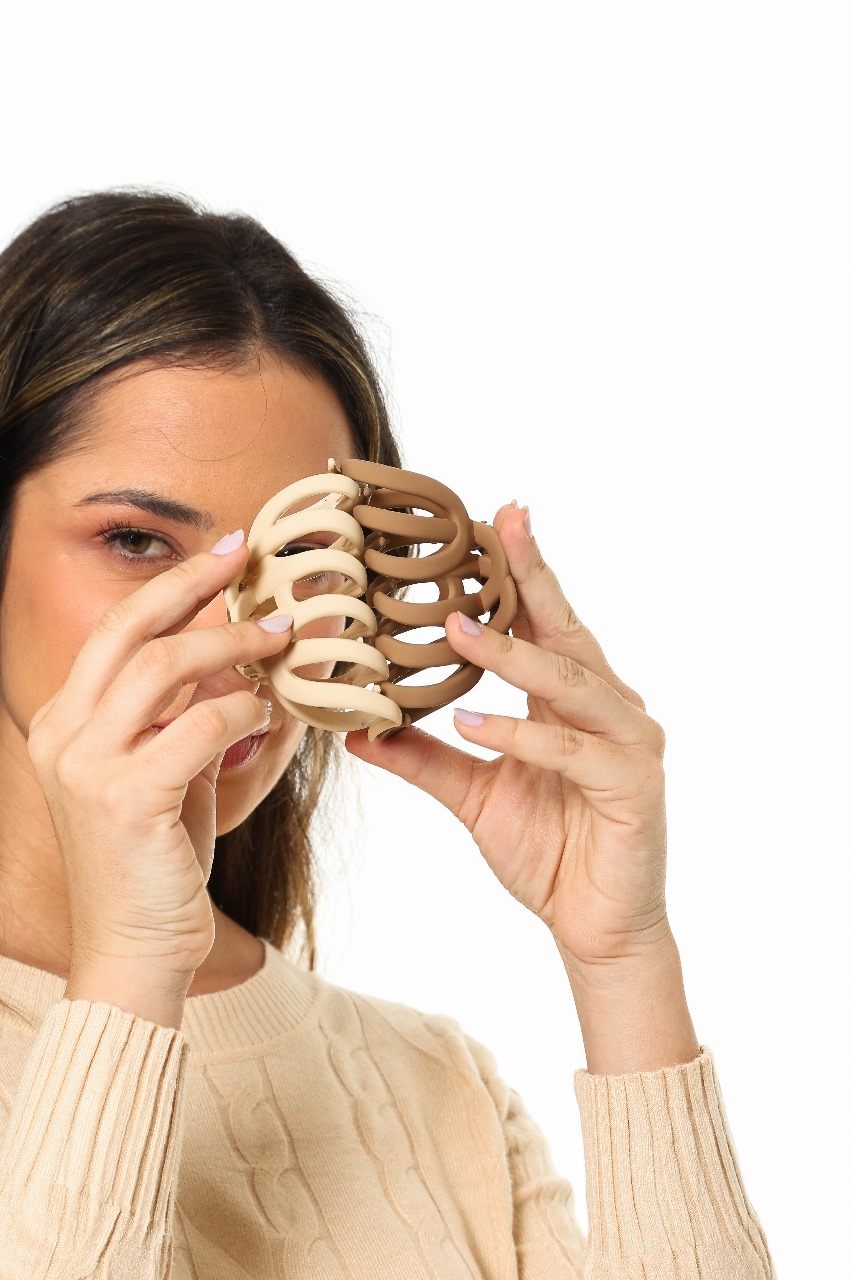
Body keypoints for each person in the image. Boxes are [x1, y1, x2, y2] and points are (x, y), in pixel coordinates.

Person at [0, 189, 776, 1278]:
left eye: (306, 558)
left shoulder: (437, 1089)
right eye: (136, 541)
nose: (242, 633)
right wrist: (130, 967)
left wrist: (622, 961)